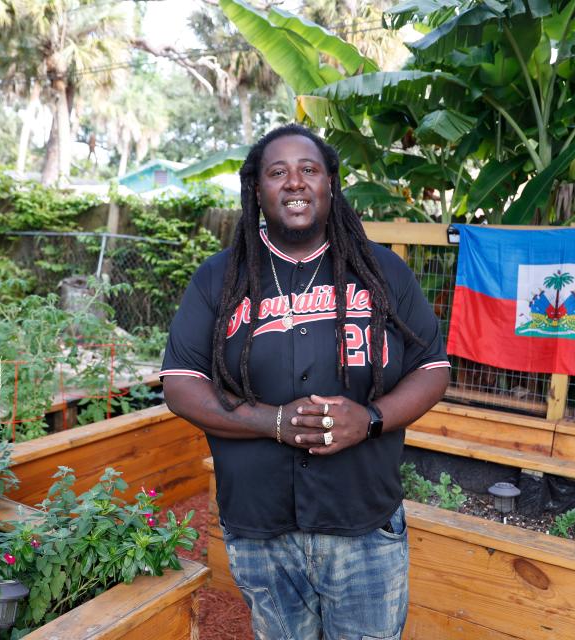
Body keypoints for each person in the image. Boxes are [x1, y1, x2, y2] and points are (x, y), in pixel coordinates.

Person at [160, 124, 450, 640]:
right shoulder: (218, 277)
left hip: (362, 520)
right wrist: (271, 421)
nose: (295, 182)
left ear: (331, 184)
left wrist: (371, 419)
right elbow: (181, 385)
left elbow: (432, 366)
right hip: (259, 522)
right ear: (256, 189)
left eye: (309, 170)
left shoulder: (382, 271)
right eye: (278, 172)